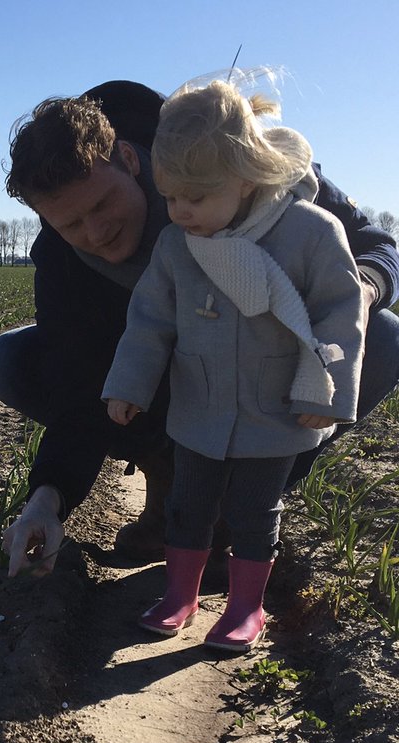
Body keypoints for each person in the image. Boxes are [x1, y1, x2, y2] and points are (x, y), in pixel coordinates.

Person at [0, 79, 399, 581]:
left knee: (384, 338)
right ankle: (170, 481)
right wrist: (46, 501)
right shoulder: (62, 263)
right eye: (70, 225)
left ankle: (244, 502)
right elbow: (76, 389)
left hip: (267, 374)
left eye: (100, 206)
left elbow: (377, 245)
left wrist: (361, 291)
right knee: (11, 360)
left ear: (130, 160)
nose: (93, 233)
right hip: (167, 380)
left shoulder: (224, 156)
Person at [101, 76, 363, 651]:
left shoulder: (309, 233)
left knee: (254, 510)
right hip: (201, 405)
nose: (181, 211)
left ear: (246, 177)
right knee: (187, 504)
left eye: (197, 197)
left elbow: (341, 314)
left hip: (276, 408)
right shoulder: (176, 246)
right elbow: (150, 321)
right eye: (171, 197)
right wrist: (130, 384)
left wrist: (325, 394)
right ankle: (180, 595)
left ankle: (247, 607)